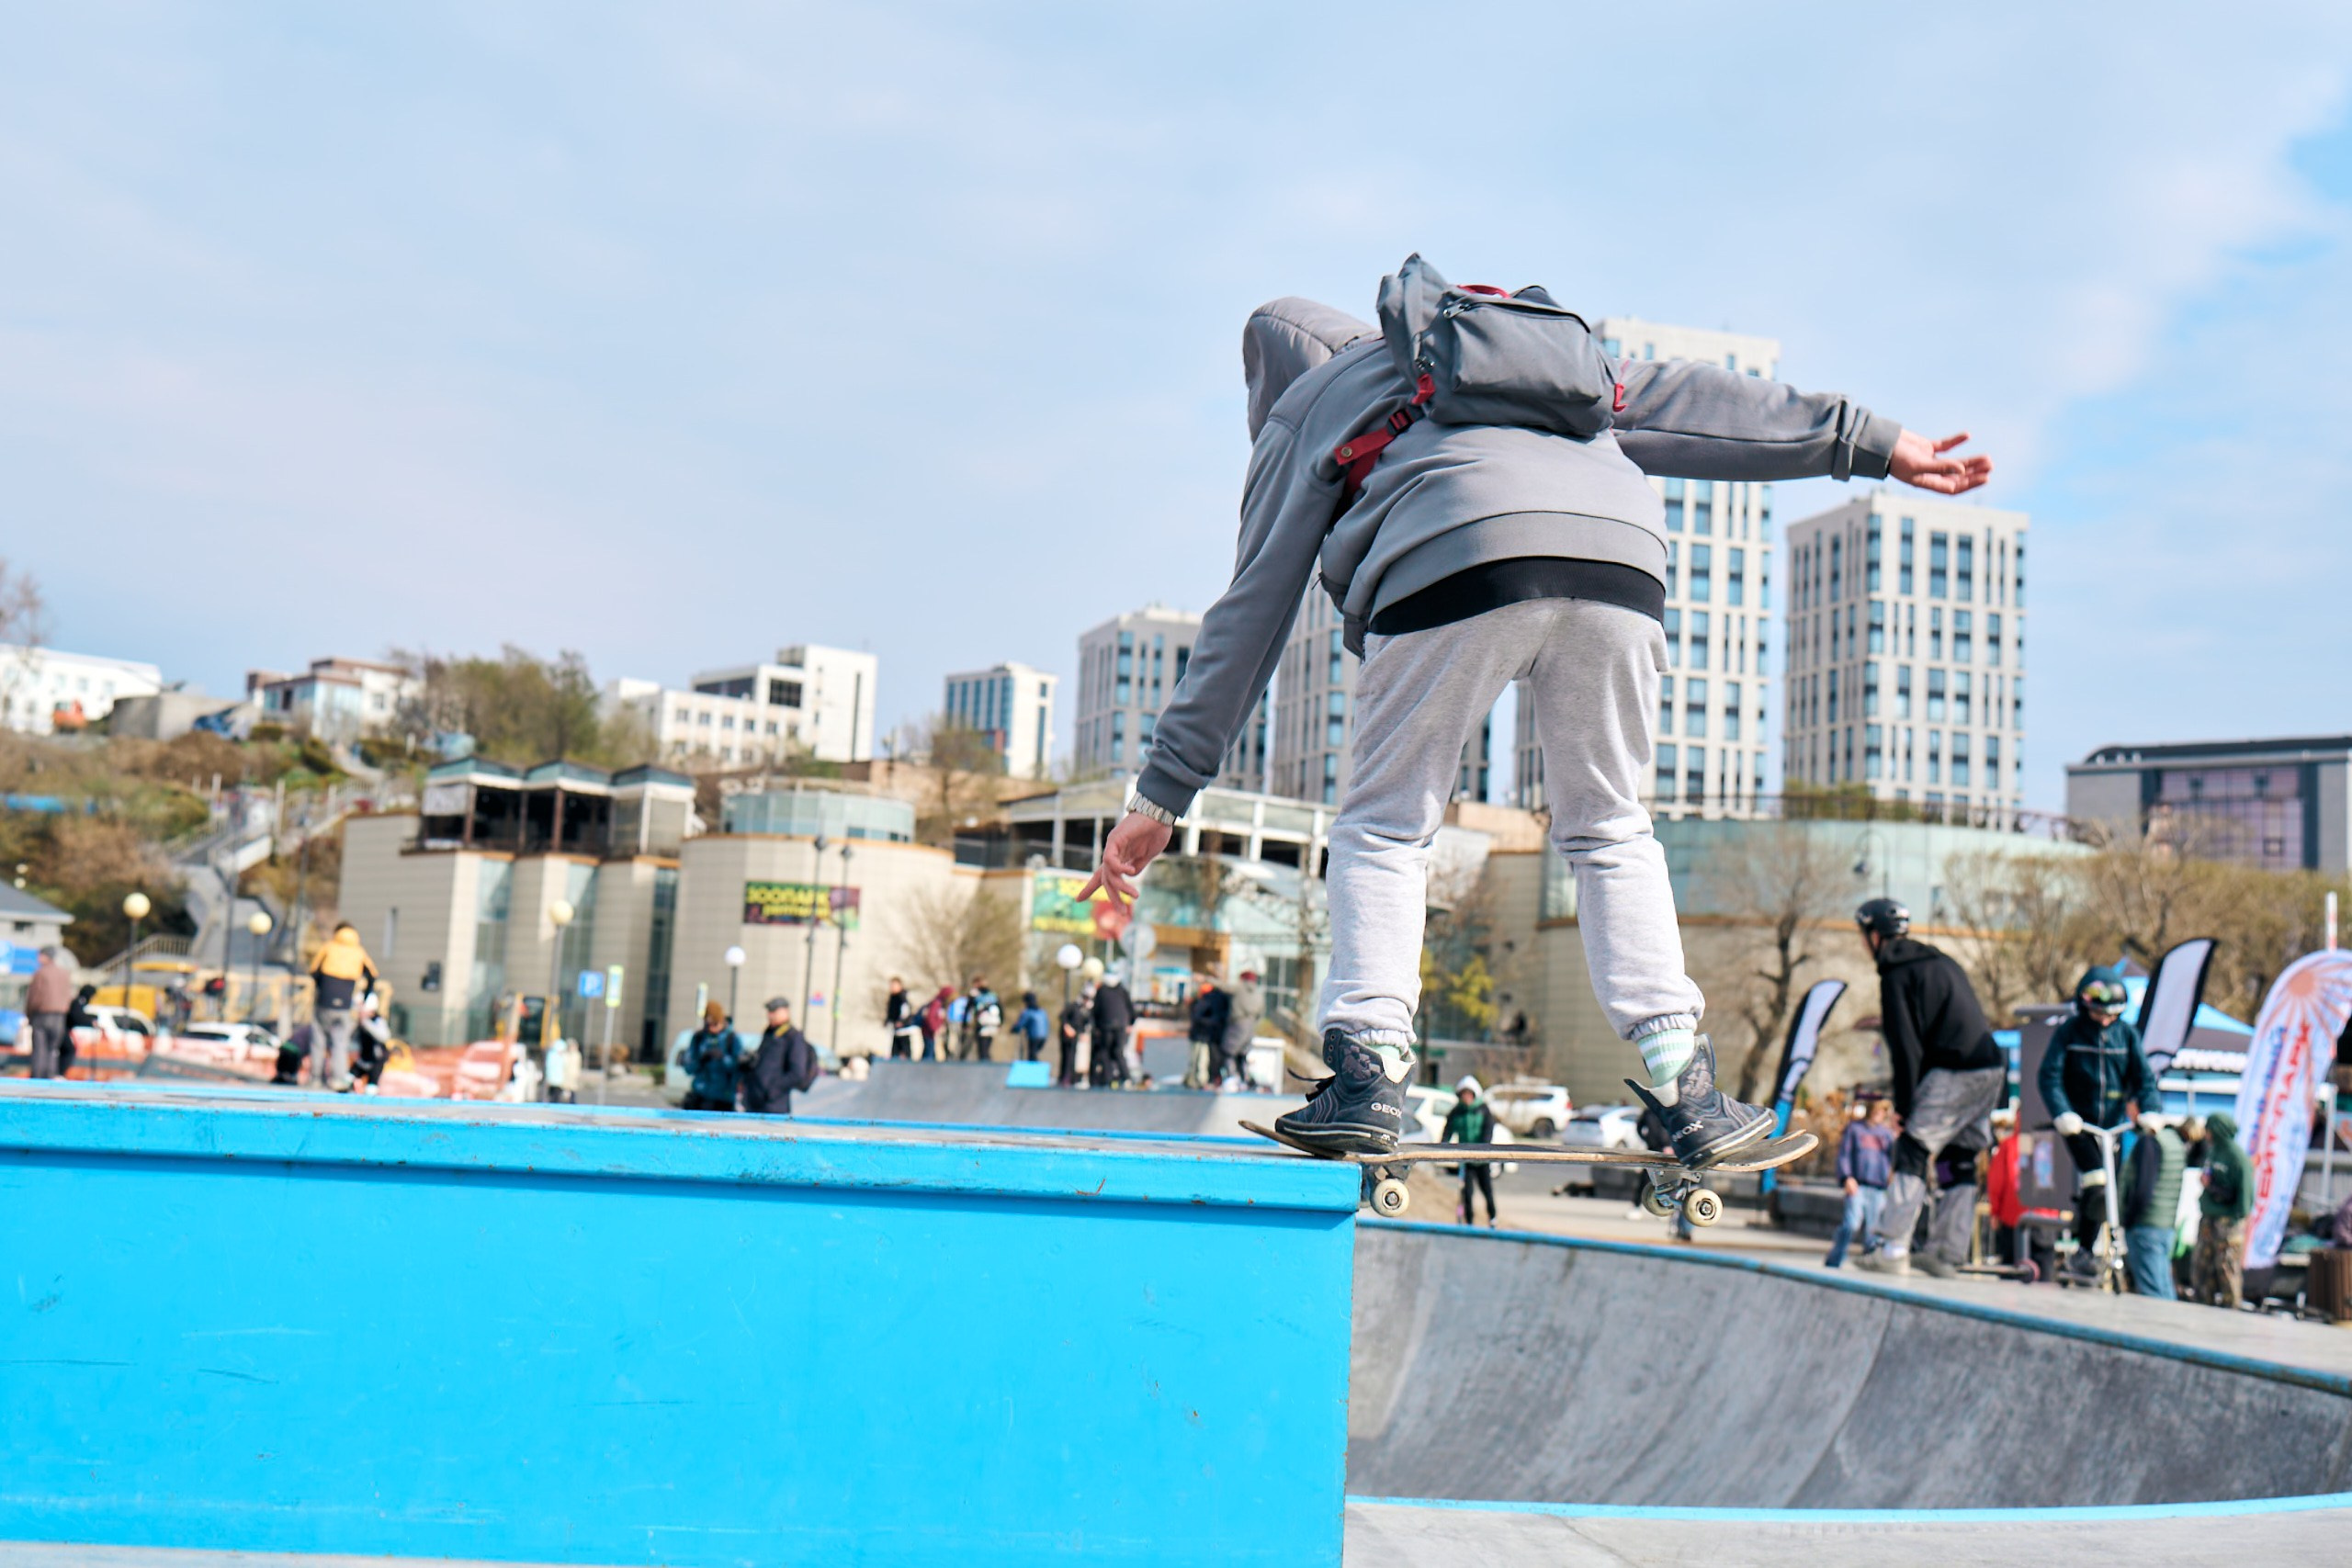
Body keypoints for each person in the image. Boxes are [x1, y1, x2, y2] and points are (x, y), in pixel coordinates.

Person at [1078, 257, 1989, 1168]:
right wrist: (1872, 442)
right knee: (1609, 829)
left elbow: (1251, 615)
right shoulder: (1525, 359)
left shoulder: (1309, 403)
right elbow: (1699, 404)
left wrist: (1161, 797)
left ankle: (1368, 1071)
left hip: (1455, 556)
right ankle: (1685, 1084)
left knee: (1388, 828)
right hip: (1623, 564)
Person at [1852, 898, 2006, 1279]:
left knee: (1914, 1149)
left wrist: (1904, 1105)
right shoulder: (1940, 961)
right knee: (1959, 1157)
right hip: (1990, 1066)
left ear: (1875, 936)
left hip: (1953, 1068)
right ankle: (1946, 1254)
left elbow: (1905, 1047)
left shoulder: (1896, 974)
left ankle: (1892, 1248)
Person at [2038, 964, 2158, 1280]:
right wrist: (2062, 1111)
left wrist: (2150, 1110)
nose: (2105, 1020)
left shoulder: (2126, 1034)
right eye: (2100, 1014)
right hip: (2079, 1124)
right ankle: (2084, 1249)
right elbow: (2049, 1076)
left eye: (2112, 1014)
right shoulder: (2069, 1033)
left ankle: (2089, 1248)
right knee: (2096, 1179)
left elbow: (2145, 1079)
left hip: (2112, 1126)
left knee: (2109, 1191)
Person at [2121, 1107, 2188, 1299]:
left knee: (2153, 1292)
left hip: (2146, 1226)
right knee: (2163, 1287)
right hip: (2164, 1225)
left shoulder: (2149, 1142)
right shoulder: (2172, 1140)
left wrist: (2128, 1219)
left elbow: (2143, 1189)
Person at [2190, 1111, 2254, 1309]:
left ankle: (2231, 1309)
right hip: (2209, 1218)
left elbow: (2245, 1194)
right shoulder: (2212, 1151)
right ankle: (2203, 1305)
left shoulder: (2237, 1157)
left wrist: (2237, 1217)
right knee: (2202, 1267)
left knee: (2227, 1270)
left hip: (2228, 1222)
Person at [1825, 1098, 1896, 1269]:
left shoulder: (1886, 1134)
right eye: (1877, 1111)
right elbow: (1845, 1154)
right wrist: (1846, 1177)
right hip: (1858, 1183)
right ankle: (1836, 1257)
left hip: (1878, 1187)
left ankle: (1871, 1259)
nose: (1879, 1115)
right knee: (1851, 1223)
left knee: (1874, 1228)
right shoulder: (1855, 1129)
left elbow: (1893, 1158)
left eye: (1882, 1112)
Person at [307, 923, 379, 1093]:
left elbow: (314, 971)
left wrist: (322, 988)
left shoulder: (329, 947)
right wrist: (365, 997)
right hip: (345, 1004)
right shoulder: (359, 952)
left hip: (324, 1002)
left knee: (318, 1040)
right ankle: (338, 1079)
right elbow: (373, 976)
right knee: (340, 1043)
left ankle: (315, 1078)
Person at [1442, 1075, 1501, 1227]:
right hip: (1466, 1160)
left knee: (1487, 1191)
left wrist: (1482, 1148)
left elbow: (1488, 1131)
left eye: (1469, 1094)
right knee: (1466, 1193)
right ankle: (1469, 1223)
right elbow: (1447, 1131)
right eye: (1463, 1095)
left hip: (1482, 1159)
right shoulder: (1457, 1112)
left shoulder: (1483, 1110)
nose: (1466, 1098)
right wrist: (1443, 1147)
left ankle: (1493, 1218)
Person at [743, 998, 818, 1115]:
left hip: (774, 1107)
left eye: (773, 1011)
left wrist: (773, 1090)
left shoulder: (793, 1036)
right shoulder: (770, 1032)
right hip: (756, 1104)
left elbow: (797, 1073)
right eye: (769, 1011)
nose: (769, 1015)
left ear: (785, 1011)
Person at [681, 1001, 742, 1112]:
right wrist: (701, 1060)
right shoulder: (699, 1038)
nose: (711, 1028)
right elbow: (688, 1068)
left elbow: (739, 1068)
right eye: (708, 1024)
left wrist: (723, 1058)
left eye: (715, 1024)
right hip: (701, 1097)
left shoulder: (732, 1039)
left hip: (724, 1099)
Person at [25, 945, 73, 1080]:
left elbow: (34, 996)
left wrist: (29, 1014)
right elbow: (68, 995)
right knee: (53, 1049)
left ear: (46, 956)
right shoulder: (64, 973)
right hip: (60, 1015)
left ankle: (38, 1077)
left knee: (40, 1049)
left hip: (42, 1014)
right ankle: (51, 1075)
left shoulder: (41, 973)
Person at [1090, 971, 1136, 1089]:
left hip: (1106, 1026)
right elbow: (1131, 1010)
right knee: (1118, 1052)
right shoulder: (1122, 991)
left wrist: (1096, 1026)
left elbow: (1095, 1011)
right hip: (1119, 1027)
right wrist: (1130, 1023)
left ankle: (1110, 1078)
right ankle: (1125, 1078)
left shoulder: (1102, 991)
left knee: (1106, 1052)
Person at [1222, 968, 1264, 1089]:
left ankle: (1231, 1078)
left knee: (1228, 1052)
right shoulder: (1258, 993)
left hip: (1237, 1024)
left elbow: (1223, 987)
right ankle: (1245, 1079)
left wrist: (1205, 979)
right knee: (1243, 1055)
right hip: (1251, 1026)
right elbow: (1261, 1013)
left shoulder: (1239, 988)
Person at [1186, 978, 1229, 1089]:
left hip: (1203, 1034)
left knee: (1199, 1060)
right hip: (1205, 1035)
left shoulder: (1206, 999)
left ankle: (1198, 1080)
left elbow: (1197, 1016)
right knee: (1201, 1060)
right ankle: (1199, 1080)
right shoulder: (1216, 999)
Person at [1058, 984, 1092, 1087]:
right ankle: (1064, 1078)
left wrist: (1084, 1033)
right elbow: (1062, 1017)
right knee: (1066, 1056)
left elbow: (1086, 1023)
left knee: (1073, 1057)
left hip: (1076, 1037)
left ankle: (1072, 1078)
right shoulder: (1073, 1006)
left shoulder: (1085, 1011)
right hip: (1066, 1037)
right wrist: (1067, 1027)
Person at [1012, 990, 1051, 1064]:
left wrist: (1014, 1029)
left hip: (1034, 1037)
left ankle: (1034, 1072)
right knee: (1034, 1054)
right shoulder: (1042, 1011)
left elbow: (1020, 1024)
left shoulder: (1027, 1012)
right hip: (1044, 1037)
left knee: (1032, 1056)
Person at [884, 977, 918, 1060]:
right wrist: (888, 1020)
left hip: (903, 1029)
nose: (891, 987)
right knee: (895, 1052)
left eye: (894, 985)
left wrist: (901, 1021)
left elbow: (906, 1011)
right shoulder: (893, 997)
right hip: (896, 1029)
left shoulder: (901, 997)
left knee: (905, 1051)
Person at [541, 1030, 579, 1104]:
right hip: (558, 1079)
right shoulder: (556, 1056)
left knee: (561, 1092)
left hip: (562, 1078)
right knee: (555, 1093)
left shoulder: (570, 1056)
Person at [920, 985, 951, 1062]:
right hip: (930, 1032)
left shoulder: (941, 1004)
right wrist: (935, 1029)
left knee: (930, 1053)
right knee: (929, 1055)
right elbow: (931, 1017)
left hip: (932, 1032)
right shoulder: (937, 1003)